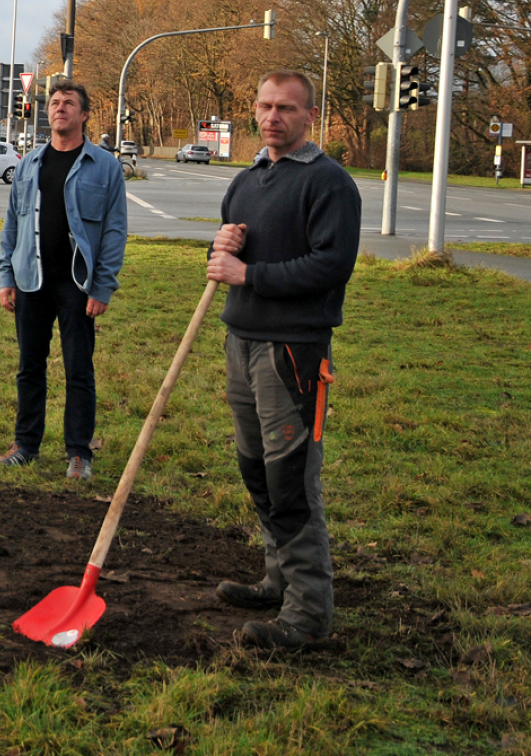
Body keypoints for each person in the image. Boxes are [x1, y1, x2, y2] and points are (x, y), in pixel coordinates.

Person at [207, 69, 359, 650]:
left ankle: (308, 615)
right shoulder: (248, 180)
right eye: (266, 106)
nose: (274, 117)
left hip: (293, 350)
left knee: (291, 478)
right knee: (257, 470)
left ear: (308, 116)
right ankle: (277, 579)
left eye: (287, 109)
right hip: (240, 341)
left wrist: (250, 273)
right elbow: (238, 247)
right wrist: (224, 247)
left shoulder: (329, 184)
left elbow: (331, 265)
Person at [0, 79, 128, 480]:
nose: (60, 108)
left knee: (78, 370)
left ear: (84, 114)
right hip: (30, 280)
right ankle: (25, 445)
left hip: (77, 285)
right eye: (54, 102)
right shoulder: (30, 163)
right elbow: (12, 225)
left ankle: (78, 454)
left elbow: (114, 231)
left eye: (69, 103)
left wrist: (103, 286)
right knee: (29, 368)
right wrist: (6, 275)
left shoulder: (105, 167)